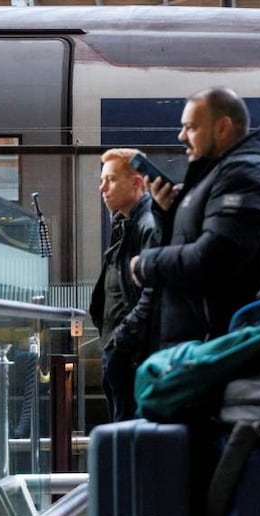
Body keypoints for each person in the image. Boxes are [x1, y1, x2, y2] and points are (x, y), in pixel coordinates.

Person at [131, 86, 260, 347]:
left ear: (222, 127)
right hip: (215, 348)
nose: (181, 137)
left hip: (234, 351)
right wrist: (168, 214)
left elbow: (215, 258)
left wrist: (146, 264)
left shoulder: (247, 175)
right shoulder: (220, 175)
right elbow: (198, 246)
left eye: (191, 127)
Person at [89, 148, 162, 421]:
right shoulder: (125, 223)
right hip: (120, 350)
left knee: (130, 436)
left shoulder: (147, 225)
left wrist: (122, 340)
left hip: (131, 354)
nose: (102, 188)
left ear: (136, 183)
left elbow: (153, 293)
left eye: (110, 179)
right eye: (101, 180)